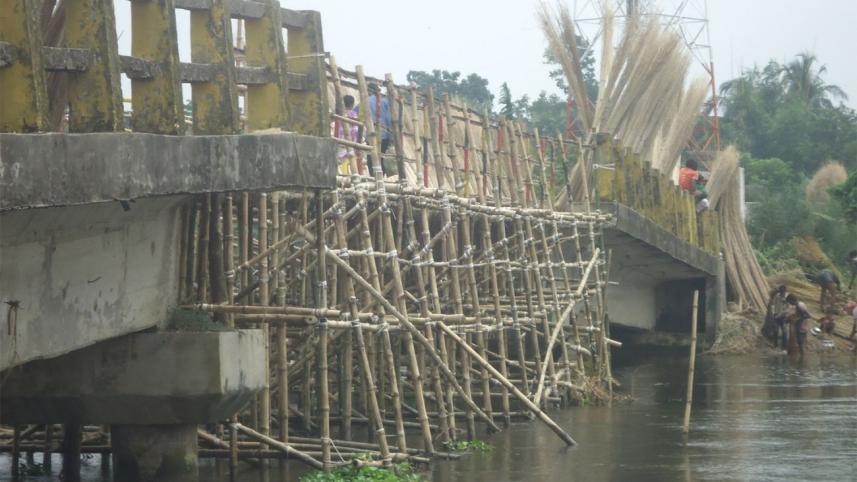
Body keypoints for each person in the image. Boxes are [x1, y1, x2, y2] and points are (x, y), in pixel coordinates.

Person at [355, 83, 392, 175]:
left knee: (371, 159)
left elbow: (355, 114)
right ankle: (382, 179)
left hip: (371, 135)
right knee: (381, 158)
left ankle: (374, 179)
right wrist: (391, 136)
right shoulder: (385, 102)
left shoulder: (365, 102)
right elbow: (389, 120)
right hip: (385, 136)